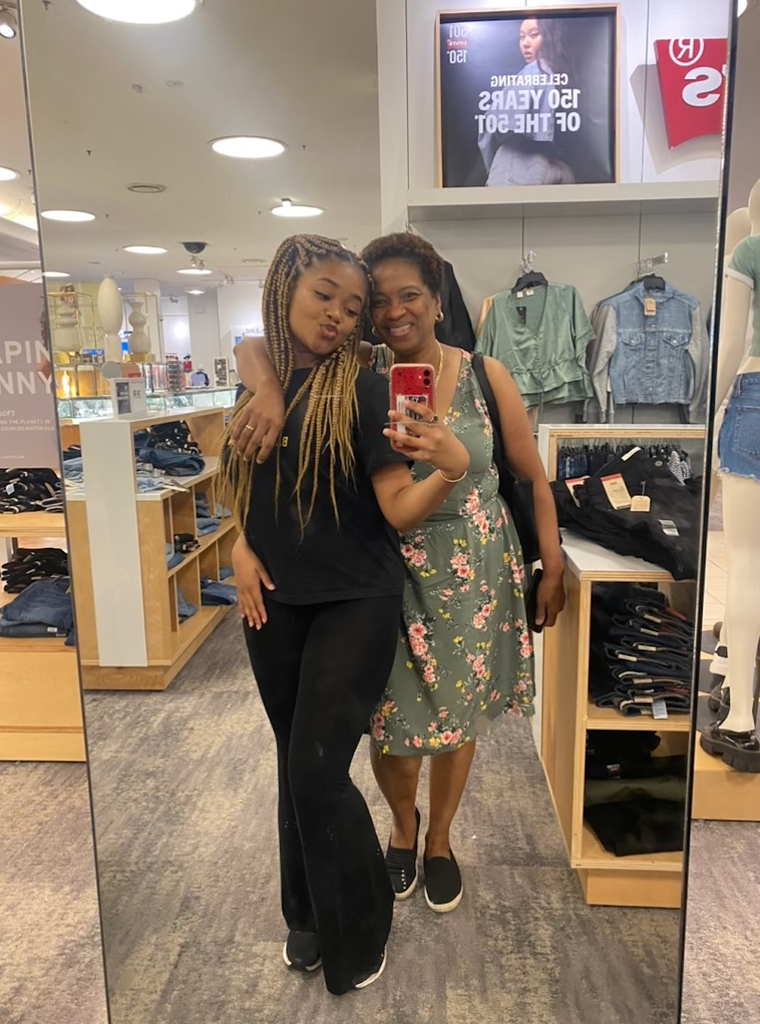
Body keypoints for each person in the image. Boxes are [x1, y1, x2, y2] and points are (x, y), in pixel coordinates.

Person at [232, 234, 564, 916]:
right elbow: (255, 346)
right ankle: (402, 828)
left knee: (457, 713)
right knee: (392, 720)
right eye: (375, 302)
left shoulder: (484, 375)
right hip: (382, 567)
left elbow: (531, 477)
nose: (390, 312)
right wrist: (263, 392)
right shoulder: (357, 365)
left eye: (407, 295)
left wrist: (550, 565)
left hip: (475, 569)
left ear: (437, 301)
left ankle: (440, 841)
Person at [220, 234, 471, 995]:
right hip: (275, 603)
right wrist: (237, 544)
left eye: (351, 307)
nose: (337, 315)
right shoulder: (252, 382)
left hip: (355, 598)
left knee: (317, 770)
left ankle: (359, 928)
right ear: (284, 287)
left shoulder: (362, 386)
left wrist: (451, 471)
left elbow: (395, 505)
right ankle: (307, 916)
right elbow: (245, 481)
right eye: (323, 294)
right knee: (290, 765)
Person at [479, 17, 575, 186]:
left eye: (534, 35)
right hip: (560, 171)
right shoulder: (562, 74)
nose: (525, 43)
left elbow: (492, 123)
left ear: (549, 37)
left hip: (516, 169)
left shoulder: (534, 71)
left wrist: (490, 162)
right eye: (522, 37)